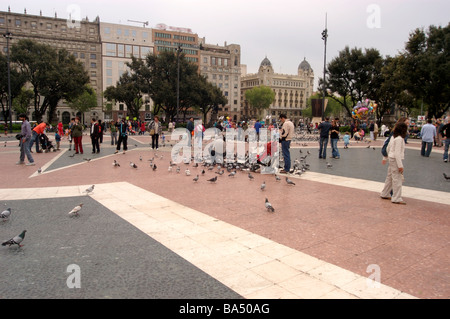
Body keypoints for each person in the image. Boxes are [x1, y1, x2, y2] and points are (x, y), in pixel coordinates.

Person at [380, 122, 408, 205]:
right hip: (395, 159)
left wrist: (386, 157)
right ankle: (396, 197)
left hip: (391, 158)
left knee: (390, 177)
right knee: (397, 179)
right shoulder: (399, 139)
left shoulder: (393, 137)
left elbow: (388, 147)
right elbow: (397, 153)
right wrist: (400, 165)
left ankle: (385, 193)